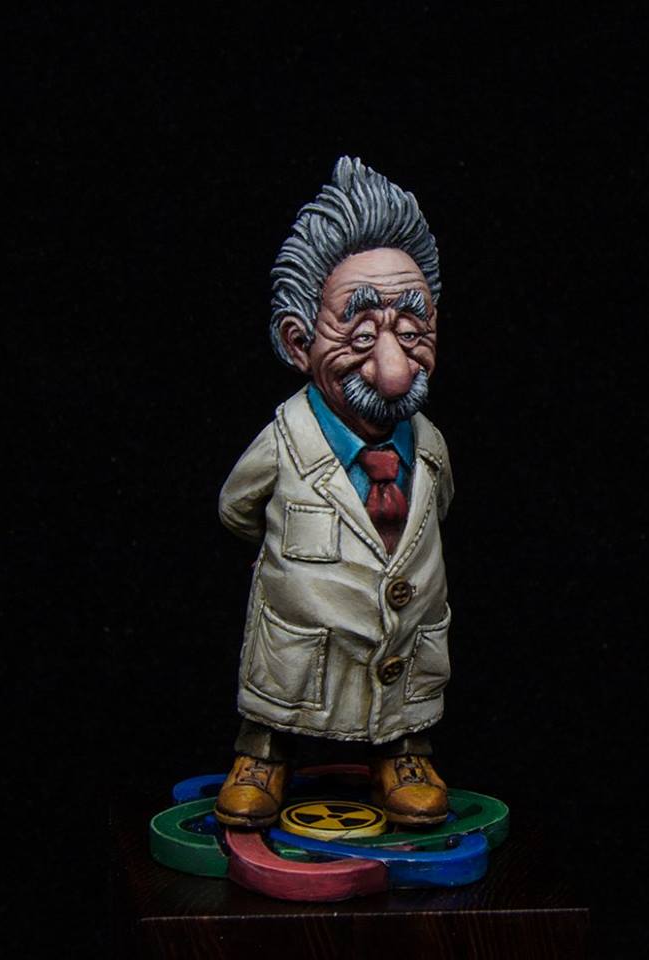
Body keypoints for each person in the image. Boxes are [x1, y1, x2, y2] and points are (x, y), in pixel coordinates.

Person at [215, 157, 454, 829]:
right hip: (301, 640)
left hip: (406, 642)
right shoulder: (283, 443)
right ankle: (263, 753)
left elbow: (437, 509)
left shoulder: (430, 447)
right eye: (361, 335)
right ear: (299, 342)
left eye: (412, 333)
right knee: (281, 691)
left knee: (404, 682)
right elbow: (237, 509)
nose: (393, 368)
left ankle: (402, 751)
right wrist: (285, 559)